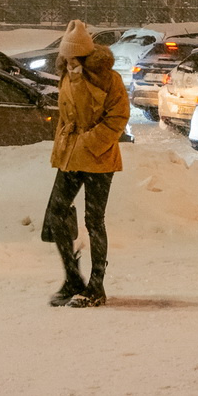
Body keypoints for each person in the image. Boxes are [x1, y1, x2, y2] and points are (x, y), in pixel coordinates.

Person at [40, 19, 130, 307]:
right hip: (70, 155)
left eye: (72, 58)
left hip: (98, 158)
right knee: (56, 213)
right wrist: (62, 150)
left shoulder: (108, 79)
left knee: (94, 220)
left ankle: (96, 285)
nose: (67, 62)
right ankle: (72, 277)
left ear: (82, 55)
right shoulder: (66, 74)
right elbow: (67, 118)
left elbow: (117, 118)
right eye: (65, 59)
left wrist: (89, 143)